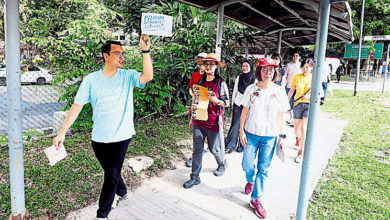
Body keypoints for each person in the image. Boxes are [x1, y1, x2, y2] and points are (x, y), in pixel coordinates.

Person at [53, 35, 153, 219]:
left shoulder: (128, 75)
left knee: (111, 176)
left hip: (122, 136)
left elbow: (148, 76)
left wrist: (145, 50)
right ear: (106, 56)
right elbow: (77, 105)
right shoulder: (91, 80)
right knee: (111, 172)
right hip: (98, 138)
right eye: (118, 53)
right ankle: (122, 191)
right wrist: (62, 133)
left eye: (123, 54)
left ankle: (102, 214)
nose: (122, 57)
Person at [239, 58, 289, 219]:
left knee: (264, 168)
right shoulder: (251, 89)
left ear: (275, 72)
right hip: (251, 134)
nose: (268, 72)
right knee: (247, 164)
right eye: (265, 69)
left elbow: (281, 114)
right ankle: (250, 179)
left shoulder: (279, 91)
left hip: (270, 136)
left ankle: (256, 198)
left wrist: (281, 136)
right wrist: (241, 131)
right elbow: (245, 111)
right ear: (259, 71)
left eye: (271, 70)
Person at [183, 53, 230, 189]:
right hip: (199, 120)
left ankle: (222, 163)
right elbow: (195, 100)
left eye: (211, 64)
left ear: (216, 67)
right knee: (197, 150)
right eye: (206, 64)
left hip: (213, 122)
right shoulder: (199, 82)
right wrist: (192, 117)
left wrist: (216, 100)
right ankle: (195, 177)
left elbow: (227, 103)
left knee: (213, 148)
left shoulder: (221, 83)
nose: (208, 67)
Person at [224, 59, 255, 154]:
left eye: (247, 66)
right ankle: (230, 145)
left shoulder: (255, 78)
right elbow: (235, 91)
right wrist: (233, 103)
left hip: (249, 105)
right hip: (238, 103)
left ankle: (242, 145)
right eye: (243, 66)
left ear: (250, 67)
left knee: (245, 125)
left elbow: (255, 93)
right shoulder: (239, 77)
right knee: (235, 124)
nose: (244, 68)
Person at [287, 60, 312, 163]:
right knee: (296, 130)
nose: (305, 69)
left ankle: (301, 152)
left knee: (303, 128)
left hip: (308, 105)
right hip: (297, 104)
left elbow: (319, 94)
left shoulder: (314, 78)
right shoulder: (297, 77)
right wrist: (285, 102)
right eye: (304, 67)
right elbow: (292, 90)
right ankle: (298, 139)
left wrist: (308, 96)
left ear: (311, 68)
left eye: (307, 67)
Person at [186, 52, 208, 167]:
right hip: (195, 104)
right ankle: (195, 156)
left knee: (207, 135)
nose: (200, 63)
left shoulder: (210, 75)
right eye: (198, 60)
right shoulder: (194, 75)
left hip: (205, 108)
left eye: (202, 60)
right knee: (195, 133)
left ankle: (220, 161)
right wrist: (193, 95)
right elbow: (191, 87)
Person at [284, 52, 301, 125]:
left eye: (297, 56)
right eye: (294, 56)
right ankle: (291, 117)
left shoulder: (301, 66)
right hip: (289, 86)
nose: (295, 57)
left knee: (296, 102)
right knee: (290, 103)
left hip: (298, 88)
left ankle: (295, 118)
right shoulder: (289, 65)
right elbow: (285, 74)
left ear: (299, 57)